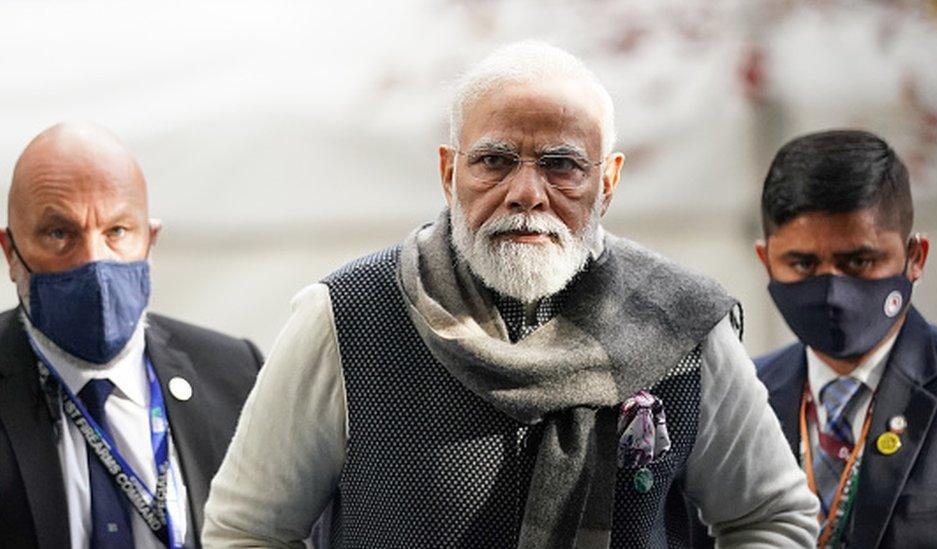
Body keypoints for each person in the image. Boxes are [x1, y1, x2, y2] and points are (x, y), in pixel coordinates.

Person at [203, 41, 817, 548]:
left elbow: (771, 517)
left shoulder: (680, 325)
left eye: (561, 164)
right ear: (448, 173)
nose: (527, 191)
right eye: (494, 161)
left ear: (608, 180)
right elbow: (246, 530)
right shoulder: (347, 317)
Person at [0, 123, 263, 548]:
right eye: (59, 233)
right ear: (11, 253)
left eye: (117, 231)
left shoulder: (235, 374)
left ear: (150, 240)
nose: (93, 260)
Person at [753, 129, 937, 547]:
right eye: (801, 264)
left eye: (859, 261)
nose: (832, 290)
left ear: (915, 258)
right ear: (766, 261)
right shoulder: (735, 401)